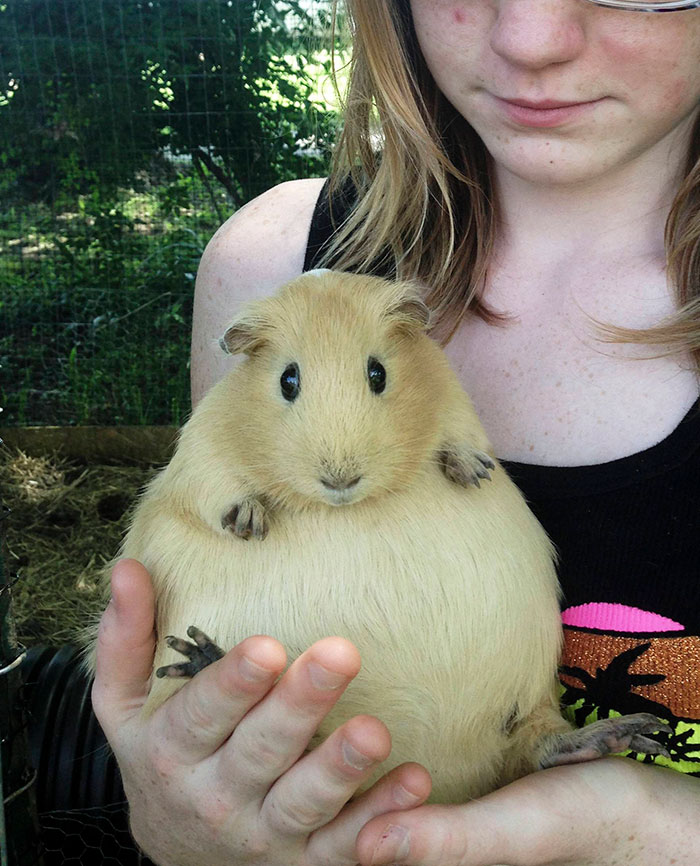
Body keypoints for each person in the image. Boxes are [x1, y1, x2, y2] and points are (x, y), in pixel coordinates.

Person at [91, 0, 700, 863]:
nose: (531, 39)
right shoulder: (271, 268)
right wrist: (174, 818)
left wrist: (638, 829)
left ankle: (533, 732)